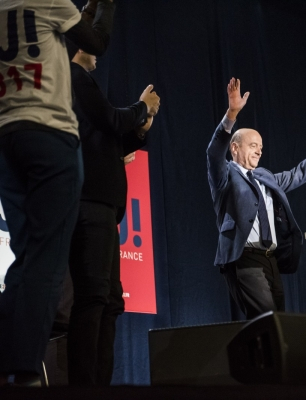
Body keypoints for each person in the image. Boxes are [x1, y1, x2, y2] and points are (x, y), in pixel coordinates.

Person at [0, 0, 116, 386]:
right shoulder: (47, 0)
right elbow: (95, 41)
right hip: (49, 136)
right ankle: (28, 372)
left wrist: (86, 10)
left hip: (6, 139)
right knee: (48, 263)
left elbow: (60, 30)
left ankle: (11, 364)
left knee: (26, 257)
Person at [206, 78, 306, 319]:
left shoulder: (265, 176)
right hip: (244, 257)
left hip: (270, 260)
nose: (260, 150)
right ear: (235, 148)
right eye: (253, 145)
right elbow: (213, 151)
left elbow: (297, 174)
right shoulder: (225, 174)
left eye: (261, 146)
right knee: (269, 321)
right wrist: (231, 114)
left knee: (278, 322)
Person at [66, 46, 159, 385]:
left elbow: (111, 142)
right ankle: (84, 385)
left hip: (104, 208)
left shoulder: (83, 89)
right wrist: (141, 108)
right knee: (93, 296)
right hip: (88, 203)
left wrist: (141, 127)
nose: (99, 54)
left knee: (111, 301)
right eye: (92, 46)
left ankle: (100, 384)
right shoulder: (74, 77)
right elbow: (110, 119)